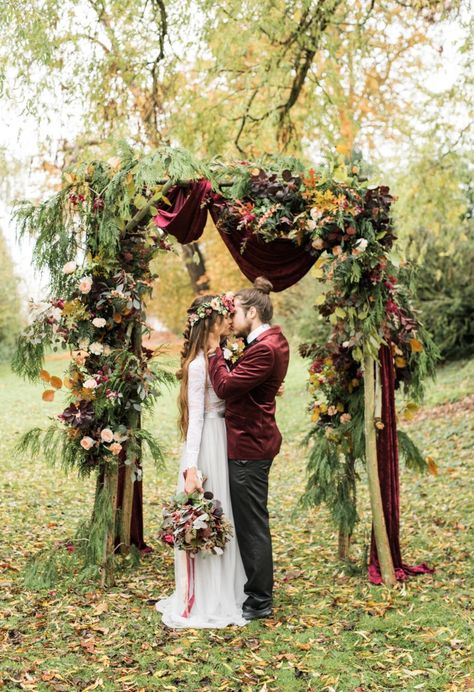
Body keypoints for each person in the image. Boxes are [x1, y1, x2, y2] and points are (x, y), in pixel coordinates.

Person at [155, 294, 247, 628]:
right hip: (207, 441)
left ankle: (229, 589)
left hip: (225, 439)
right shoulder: (198, 365)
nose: (228, 321)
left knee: (227, 516)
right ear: (210, 322)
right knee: (208, 513)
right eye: (223, 316)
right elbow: (196, 419)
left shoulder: (222, 356)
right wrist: (190, 468)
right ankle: (204, 596)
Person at [206, 277, 290, 620]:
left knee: (251, 523)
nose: (231, 320)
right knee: (251, 520)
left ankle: (259, 600)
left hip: (249, 445)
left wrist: (213, 349)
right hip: (252, 439)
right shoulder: (267, 342)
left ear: (252, 312)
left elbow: (225, 385)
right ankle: (254, 591)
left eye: (235, 313)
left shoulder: (266, 349)